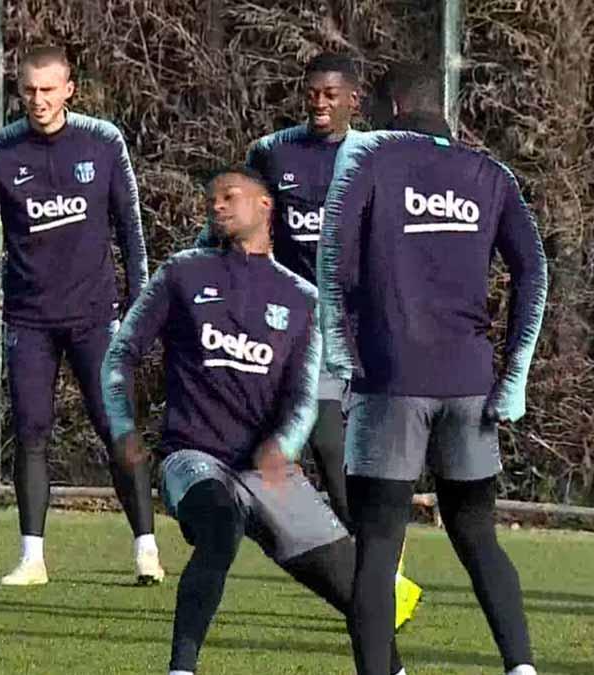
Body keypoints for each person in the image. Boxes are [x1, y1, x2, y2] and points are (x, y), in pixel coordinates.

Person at [103, 167, 416, 675]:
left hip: (269, 474)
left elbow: (303, 395)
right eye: (212, 200)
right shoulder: (181, 273)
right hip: (195, 458)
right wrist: (123, 426)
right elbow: (121, 354)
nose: (218, 206)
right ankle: (181, 668)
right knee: (220, 530)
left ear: (266, 205)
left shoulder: (302, 298)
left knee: (364, 591)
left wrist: (283, 447)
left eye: (230, 196)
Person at [318, 62, 548, 675]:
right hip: (471, 386)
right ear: (441, 108)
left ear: (392, 108)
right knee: (477, 536)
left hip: (389, 383)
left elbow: (331, 264)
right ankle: (521, 667)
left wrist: (343, 362)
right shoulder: (489, 174)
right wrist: (515, 372)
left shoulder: (367, 160)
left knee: (377, 548)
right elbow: (535, 270)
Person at [196, 53, 423, 626]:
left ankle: (382, 573)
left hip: (369, 332)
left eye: (330, 94)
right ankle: (376, 582)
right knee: (328, 447)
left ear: (353, 98)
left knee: (364, 463)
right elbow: (233, 219)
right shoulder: (274, 153)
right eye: (312, 94)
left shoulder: (378, 156)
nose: (319, 104)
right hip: (303, 332)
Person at [0, 45, 162, 586]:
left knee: (117, 428)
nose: (39, 101)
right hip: (28, 320)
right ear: (19, 91)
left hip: (96, 318)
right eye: (29, 91)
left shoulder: (103, 141)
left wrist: (142, 303)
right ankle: (32, 558)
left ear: (69, 89)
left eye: (49, 90)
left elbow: (130, 229)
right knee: (31, 432)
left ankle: (146, 548)